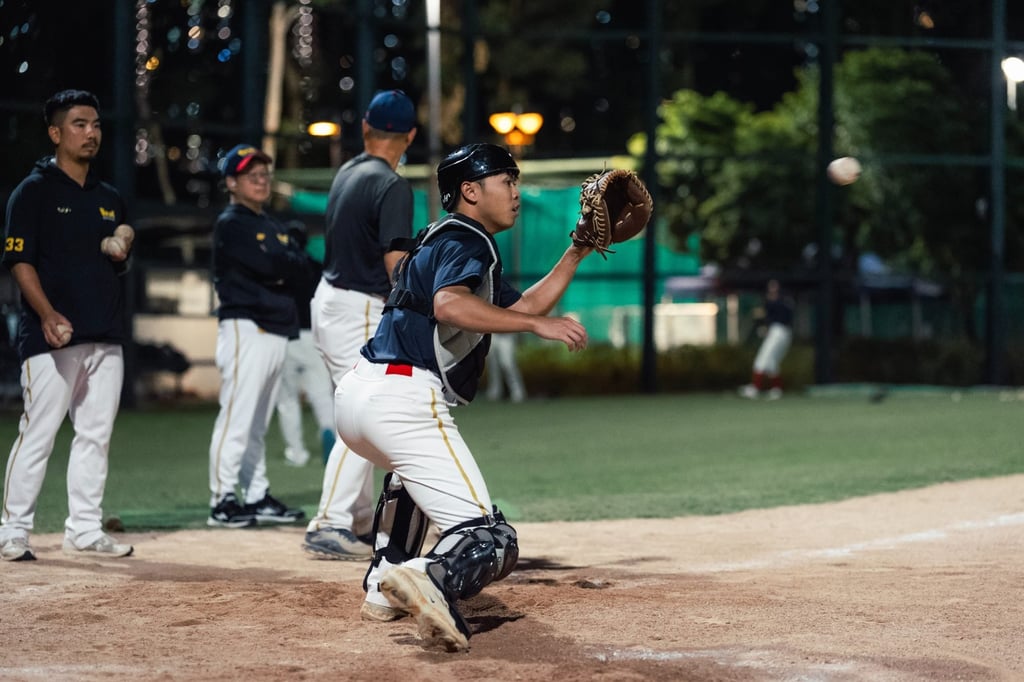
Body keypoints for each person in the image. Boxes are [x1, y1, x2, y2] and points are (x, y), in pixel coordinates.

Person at [336, 143, 593, 651]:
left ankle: (384, 587)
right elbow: (450, 304)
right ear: (470, 192)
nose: (517, 192)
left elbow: (528, 301)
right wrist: (537, 327)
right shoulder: (471, 239)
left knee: (410, 481)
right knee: (488, 541)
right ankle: (425, 577)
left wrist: (577, 249)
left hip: (359, 394)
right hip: (402, 398)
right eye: (506, 181)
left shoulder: (443, 237)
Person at [0, 89, 134, 561]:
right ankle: (13, 529)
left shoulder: (108, 197)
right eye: (79, 124)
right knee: (38, 430)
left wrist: (124, 235)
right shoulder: (32, 192)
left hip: (105, 335)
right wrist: (47, 313)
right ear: (56, 133)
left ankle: (84, 528)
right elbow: (19, 262)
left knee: (95, 436)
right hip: (50, 335)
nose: (91, 132)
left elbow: (119, 246)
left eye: (95, 124)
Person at [303, 90, 418, 560]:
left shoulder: (349, 171)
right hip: (359, 307)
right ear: (410, 136)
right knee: (363, 416)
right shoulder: (392, 184)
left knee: (356, 411)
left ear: (367, 128)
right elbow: (395, 259)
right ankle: (329, 522)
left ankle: (359, 519)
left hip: (330, 301)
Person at [206, 144, 309, 528]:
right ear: (231, 182)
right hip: (245, 328)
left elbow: (299, 270)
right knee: (237, 417)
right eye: (252, 176)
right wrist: (284, 263)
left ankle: (255, 494)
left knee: (256, 422)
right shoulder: (232, 223)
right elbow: (275, 265)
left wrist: (284, 263)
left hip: (274, 329)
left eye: (265, 175)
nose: (261, 181)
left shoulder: (267, 223)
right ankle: (222, 499)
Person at [274, 222, 336, 468]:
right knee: (321, 395)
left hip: (284, 338)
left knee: (287, 399)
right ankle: (329, 432)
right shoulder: (316, 268)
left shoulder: (277, 270)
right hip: (313, 337)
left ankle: (297, 452)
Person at [739, 278, 794, 400]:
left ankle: (755, 388)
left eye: (775, 287)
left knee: (762, 359)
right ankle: (777, 389)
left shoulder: (780, 301)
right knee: (772, 362)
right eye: (771, 287)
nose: (772, 290)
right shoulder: (774, 301)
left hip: (779, 332)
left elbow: (777, 316)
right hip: (781, 332)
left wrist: (764, 316)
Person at [485, 332, 526, 402]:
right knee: (493, 366)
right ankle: (495, 391)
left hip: (507, 335)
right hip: (492, 334)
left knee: (507, 364)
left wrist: (520, 336)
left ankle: (517, 392)